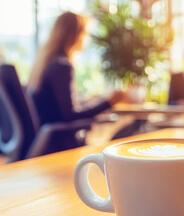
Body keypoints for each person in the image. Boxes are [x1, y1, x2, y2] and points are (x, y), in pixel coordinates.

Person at [27, 12, 123, 152]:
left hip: (46, 139)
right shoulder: (62, 66)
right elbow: (69, 115)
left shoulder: (48, 62)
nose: (87, 39)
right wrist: (109, 102)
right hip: (59, 143)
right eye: (85, 33)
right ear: (74, 35)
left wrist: (88, 101)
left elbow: (59, 108)